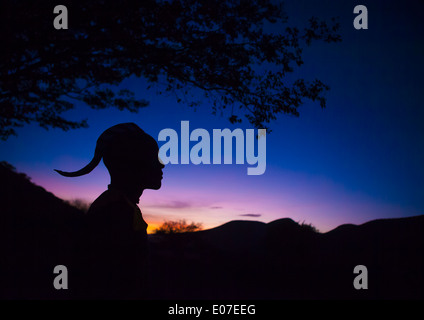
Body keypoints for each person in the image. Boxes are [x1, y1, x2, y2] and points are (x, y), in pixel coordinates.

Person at [55, 123, 164, 299]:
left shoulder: (121, 207)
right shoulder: (114, 213)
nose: (162, 165)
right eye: (153, 158)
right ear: (131, 164)